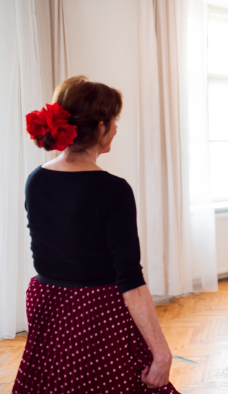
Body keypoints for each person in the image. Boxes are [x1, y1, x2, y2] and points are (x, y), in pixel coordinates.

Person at [12, 76, 179, 393]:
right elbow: (130, 279)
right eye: (114, 120)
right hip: (96, 310)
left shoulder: (36, 180)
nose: (116, 128)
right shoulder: (112, 189)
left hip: (47, 300)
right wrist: (161, 352)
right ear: (101, 126)